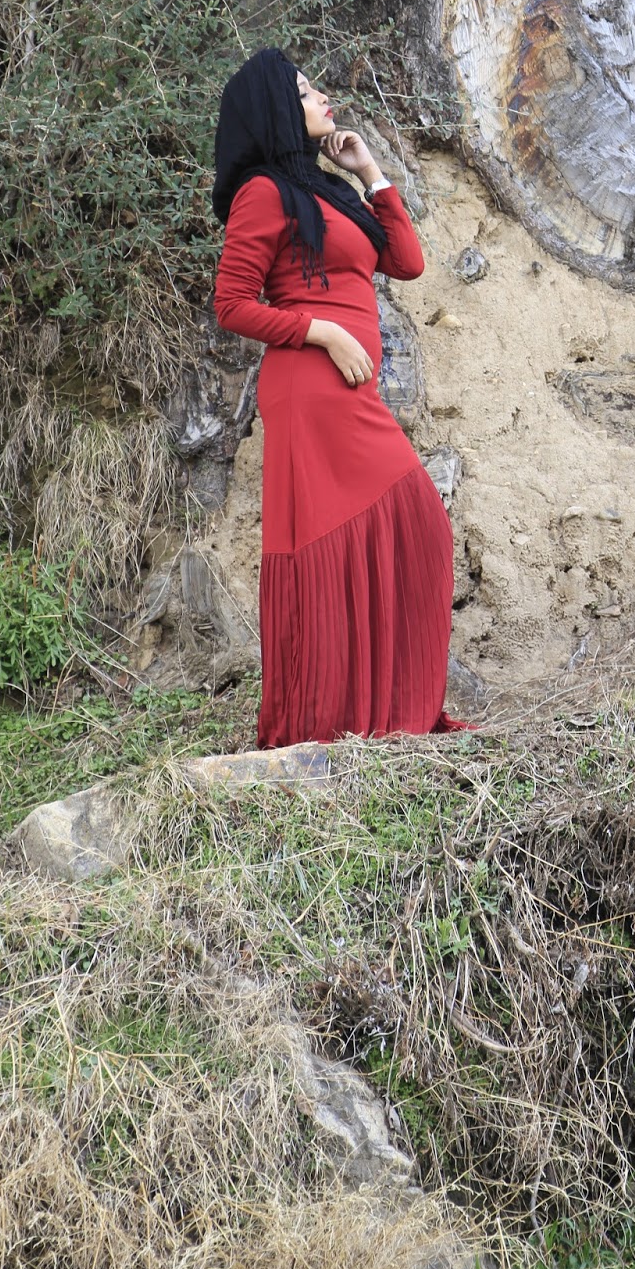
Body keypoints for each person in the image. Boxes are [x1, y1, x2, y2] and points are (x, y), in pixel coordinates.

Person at [211, 47, 462, 747]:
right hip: (310, 387)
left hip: (344, 388)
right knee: (381, 532)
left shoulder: (324, 188)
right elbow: (232, 303)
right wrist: (320, 331)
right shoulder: (263, 193)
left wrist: (369, 172)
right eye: (303, 91)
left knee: (413, 529)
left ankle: (377, 714)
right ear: (276, 111)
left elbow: (406, 263)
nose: (321, 95)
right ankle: (333, 719)